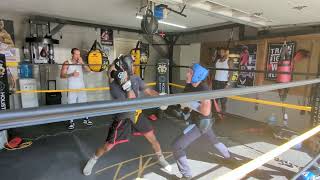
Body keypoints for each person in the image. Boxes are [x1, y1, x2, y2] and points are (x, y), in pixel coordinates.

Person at [82, 55, 171, 176]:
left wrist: (160, 97)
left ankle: (161, 159)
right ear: (125, 67)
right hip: (122, 118)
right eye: (132, 65)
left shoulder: (136, 78)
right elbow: (129, 95)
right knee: (107, 146)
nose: (134, 67)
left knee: (153, 138)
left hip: (137, 114)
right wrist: (126, 84)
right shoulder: (114, 84)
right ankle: (92, 160)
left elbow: (148, 90)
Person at [172, 63, 232, 179]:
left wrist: (190, 104)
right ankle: (230, 158)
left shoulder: (204, 89)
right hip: (202, 121)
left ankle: (187, 176)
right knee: (214, 140)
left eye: (190, 72)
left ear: (197, 75)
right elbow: (184, 102)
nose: (187, 73)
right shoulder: (189, 86)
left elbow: (205, 111)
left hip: (201, 123)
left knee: (177, 146)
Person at [60, 48, 93, 130]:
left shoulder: (80, 63)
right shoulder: (67, 63)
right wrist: (71, 74)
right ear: (72, 54)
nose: (78, 56)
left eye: (79, 54)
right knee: (72, 105)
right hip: (72, 88)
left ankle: (86, 118)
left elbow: (89, 70)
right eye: (76, 54)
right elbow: (62, 75)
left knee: (84, 103)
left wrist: (82, 63)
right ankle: (71, 121)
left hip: (81, 87)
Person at [213, 48, 233, 113]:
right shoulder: (217, 60)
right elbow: (215, 71)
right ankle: (215, 114)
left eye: (222, 52)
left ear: (225, 52)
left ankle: (223, 115)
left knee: (223, 101)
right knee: (214, 100)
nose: (221, 53)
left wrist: (228, 84)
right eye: (220, 52)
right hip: (216, 82)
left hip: (223, 82)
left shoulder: (229, 60)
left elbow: (231, 73)